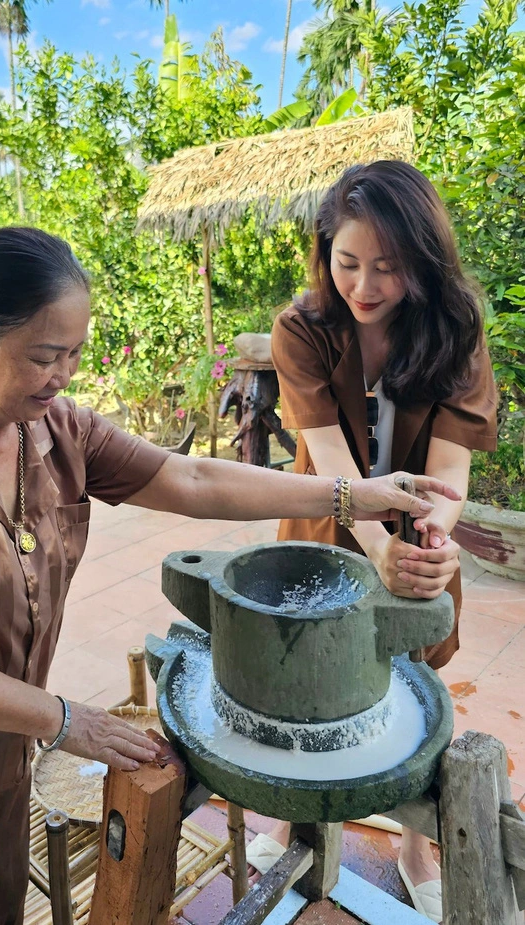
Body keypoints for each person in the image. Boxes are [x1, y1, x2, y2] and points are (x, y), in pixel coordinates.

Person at [0, 226, 459, 925]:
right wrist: (65, 720)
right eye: (43, 356)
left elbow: (193, 477)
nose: (63, 375)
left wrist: (349, 494)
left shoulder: (57, 429)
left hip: (1, 750)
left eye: (75, 354)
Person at [266, 161, 497, 922]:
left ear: (422, 263)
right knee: (309, 682)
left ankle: (416, 844)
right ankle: (292, 820)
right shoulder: (303, 328)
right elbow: (333, 468)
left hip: (410, 537)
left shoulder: (456, 330)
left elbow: (450, 470)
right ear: (325, 251)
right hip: (326, 529)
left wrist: (433, 538)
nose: (365, 285)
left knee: (414, 682)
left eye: (389, 268)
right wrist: (378, 545)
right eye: (349, 262)